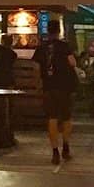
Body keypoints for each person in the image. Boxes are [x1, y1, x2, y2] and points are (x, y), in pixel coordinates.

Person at [32, 20, 78, 163]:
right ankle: (65, 146)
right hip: (64, 86)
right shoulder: (64, 46)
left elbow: (36, 67)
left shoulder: (42, 47)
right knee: (66, 117)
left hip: (48, 86)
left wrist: (39, 82)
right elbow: (73, 63)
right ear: (59, 31)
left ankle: (54, 151)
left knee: (52, 118)